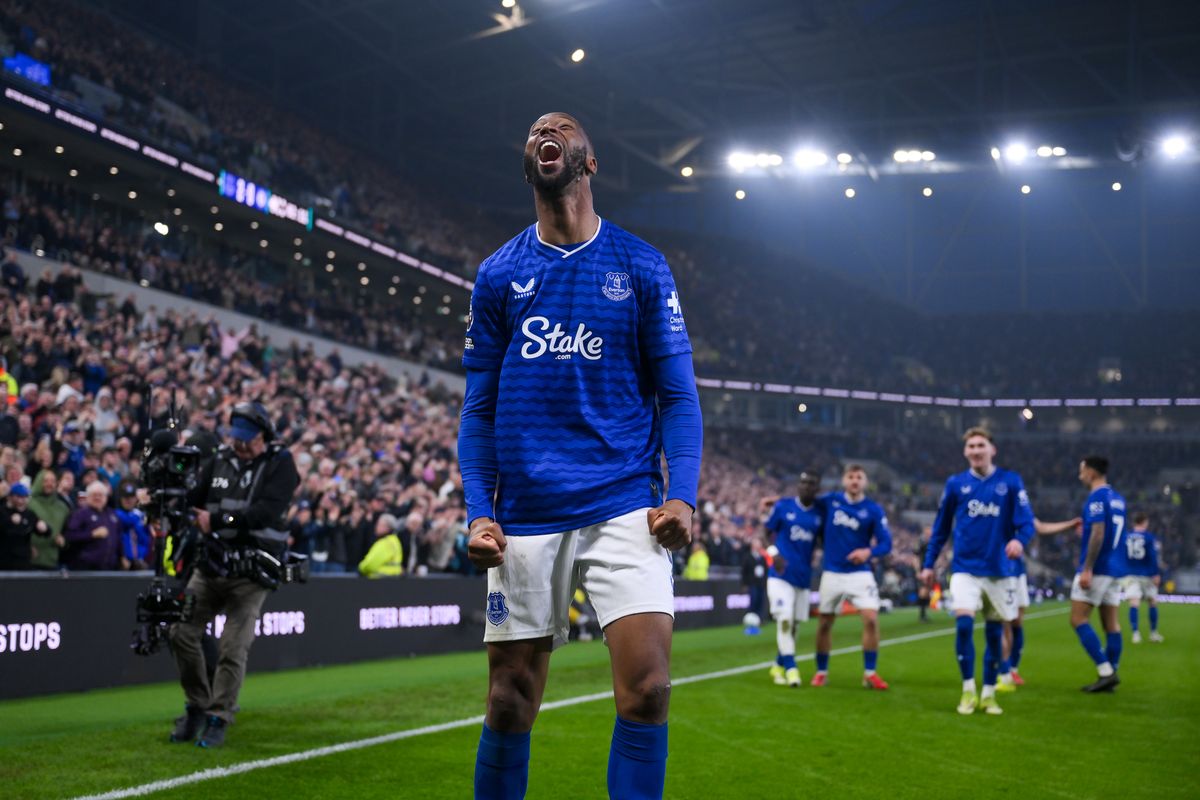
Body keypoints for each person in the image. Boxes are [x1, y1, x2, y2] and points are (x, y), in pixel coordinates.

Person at [458, 111, 702, 800]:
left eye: (563, 126)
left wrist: (680, 494)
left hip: (624, 501)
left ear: (588, 160)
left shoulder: (642, 266)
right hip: (529, 513)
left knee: (650, 689)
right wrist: (480, 511)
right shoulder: (499, 274)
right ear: (530, 161)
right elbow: (477, 410)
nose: (547, 129)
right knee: (509, 699)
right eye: (536, 127)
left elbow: (680, 399)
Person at [167, 402, 300, 748]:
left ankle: (219, 716)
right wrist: (169, 496)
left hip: (251, 572)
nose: (240, 445)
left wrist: (221, 522)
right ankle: (197, 704)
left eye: (247, 439)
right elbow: (192, 497)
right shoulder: (219, 459)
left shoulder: (280, 464)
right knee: (180, 631)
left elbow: (266, 512)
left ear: (263, 435)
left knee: (232, 646)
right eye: (236, 438)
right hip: (210, 564)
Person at [920, 428, 1034, 716]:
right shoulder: (956, 484)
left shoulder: (1010, 482)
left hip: (999, 571)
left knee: (995, 634)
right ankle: (968, 689)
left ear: (992, 449)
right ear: (965, 452)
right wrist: (928, 564)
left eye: (980, 445)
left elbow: (1027, 523)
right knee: (964, 625)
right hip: (965, 569)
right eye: (970, 446)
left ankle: (989, 694)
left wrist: (1018, 542)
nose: (975, 450)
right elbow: (941, 528)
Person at [812, 464, 892, 690]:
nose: (855, 481)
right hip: (832, 572)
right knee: (825, 622)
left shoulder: (873, 510)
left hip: (860, 574)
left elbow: (886, 543)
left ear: (865, 482)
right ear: (844, 480)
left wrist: (868, 552)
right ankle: (821, 671)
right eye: (850, 477)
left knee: (871, 618)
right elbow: (805, 502)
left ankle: (869, 672)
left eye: (859, 477)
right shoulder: (830, 501)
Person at [996, 514, 1080, 691]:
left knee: (1018, 622)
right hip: (1002, 571)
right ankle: (1003, 672)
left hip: (1018, 570)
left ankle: (1013, 669)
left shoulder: (1018, 505)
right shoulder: (995, 501)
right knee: (1005, 623)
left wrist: (1070, 524)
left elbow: (1039, 526)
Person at [1068, 455, 1126, 693]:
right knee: (1111, 624)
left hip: (1098, 568)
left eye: (1082, 471)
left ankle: (1105, 671)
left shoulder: (1097, 497)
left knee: (1078, 619)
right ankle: (1109, 675)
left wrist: (1088, 568)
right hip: (1116, 569)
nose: (1080, 475)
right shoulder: (1118, 499)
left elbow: (1099, 533)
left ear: (1091, 473)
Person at [762, 470, 821, 687]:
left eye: (811, 484)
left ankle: (777, 665)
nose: (806, 487)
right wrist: (773, 552)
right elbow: (765, 531)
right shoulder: (784, 507)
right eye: (803, 483)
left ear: (817, 489)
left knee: (794, 625)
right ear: (798, 485)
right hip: (779, 575)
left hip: (803, 577)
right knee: (785, 620)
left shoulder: (819, 515)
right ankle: (792, 669)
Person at [1119, 512, 1163, 643]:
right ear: (1144, 522)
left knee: (1134, 603)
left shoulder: (1125, 536)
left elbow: (1121, 555)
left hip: (1129, 574)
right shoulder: (1149, 537)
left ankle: (1135, 634)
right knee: (1152, 602)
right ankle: (1153, 633)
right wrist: (1155, 573)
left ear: (1134, 522)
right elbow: (1153, 556)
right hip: (1147, 573)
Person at [61, 481, 120, 570]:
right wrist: (91, 534)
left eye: (100, 495)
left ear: (106, 497)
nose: (97, 497)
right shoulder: (80, 514)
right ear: (87, 497)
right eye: (94, 495)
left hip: (110, 567)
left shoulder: (112, 515)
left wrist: (122, 556)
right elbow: (70, 536)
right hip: (86, 568)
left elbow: (118, 537)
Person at [28, 470, 69, 570]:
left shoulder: (63, 508)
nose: (49, 484)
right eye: (45, 481)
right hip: (29, 560)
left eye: (52, 481)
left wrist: (63, 541)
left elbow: (67, 533)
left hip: (52, 561)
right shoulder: (28, 503)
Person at [0, 482, 46, 569]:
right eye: (18, 496)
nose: (22, 500)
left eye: (25, 497)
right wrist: (9, 521)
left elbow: (44, 532)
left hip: (23, 561)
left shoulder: (29, 514)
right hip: (4, 562)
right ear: (10, 497)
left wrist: (45, 528)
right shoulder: (2, 511)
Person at [115, 480, 151, 570]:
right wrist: (121, 557)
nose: (129, 501)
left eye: (131, 498)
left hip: (141, 560)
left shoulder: (141, 515)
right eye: (126, 498)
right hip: (122, 562)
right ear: (121, 499)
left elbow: (146, 538)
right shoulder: (115, 515)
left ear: (136, 498)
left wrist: (144, 557)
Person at [358, 513, 403, 578]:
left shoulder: (385, 543)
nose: (376, 526)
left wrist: (361, 568)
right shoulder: (395, 541)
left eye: (379, 524)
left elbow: (370, 564)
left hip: (379, 581)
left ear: (387, 527)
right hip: (392, 580)